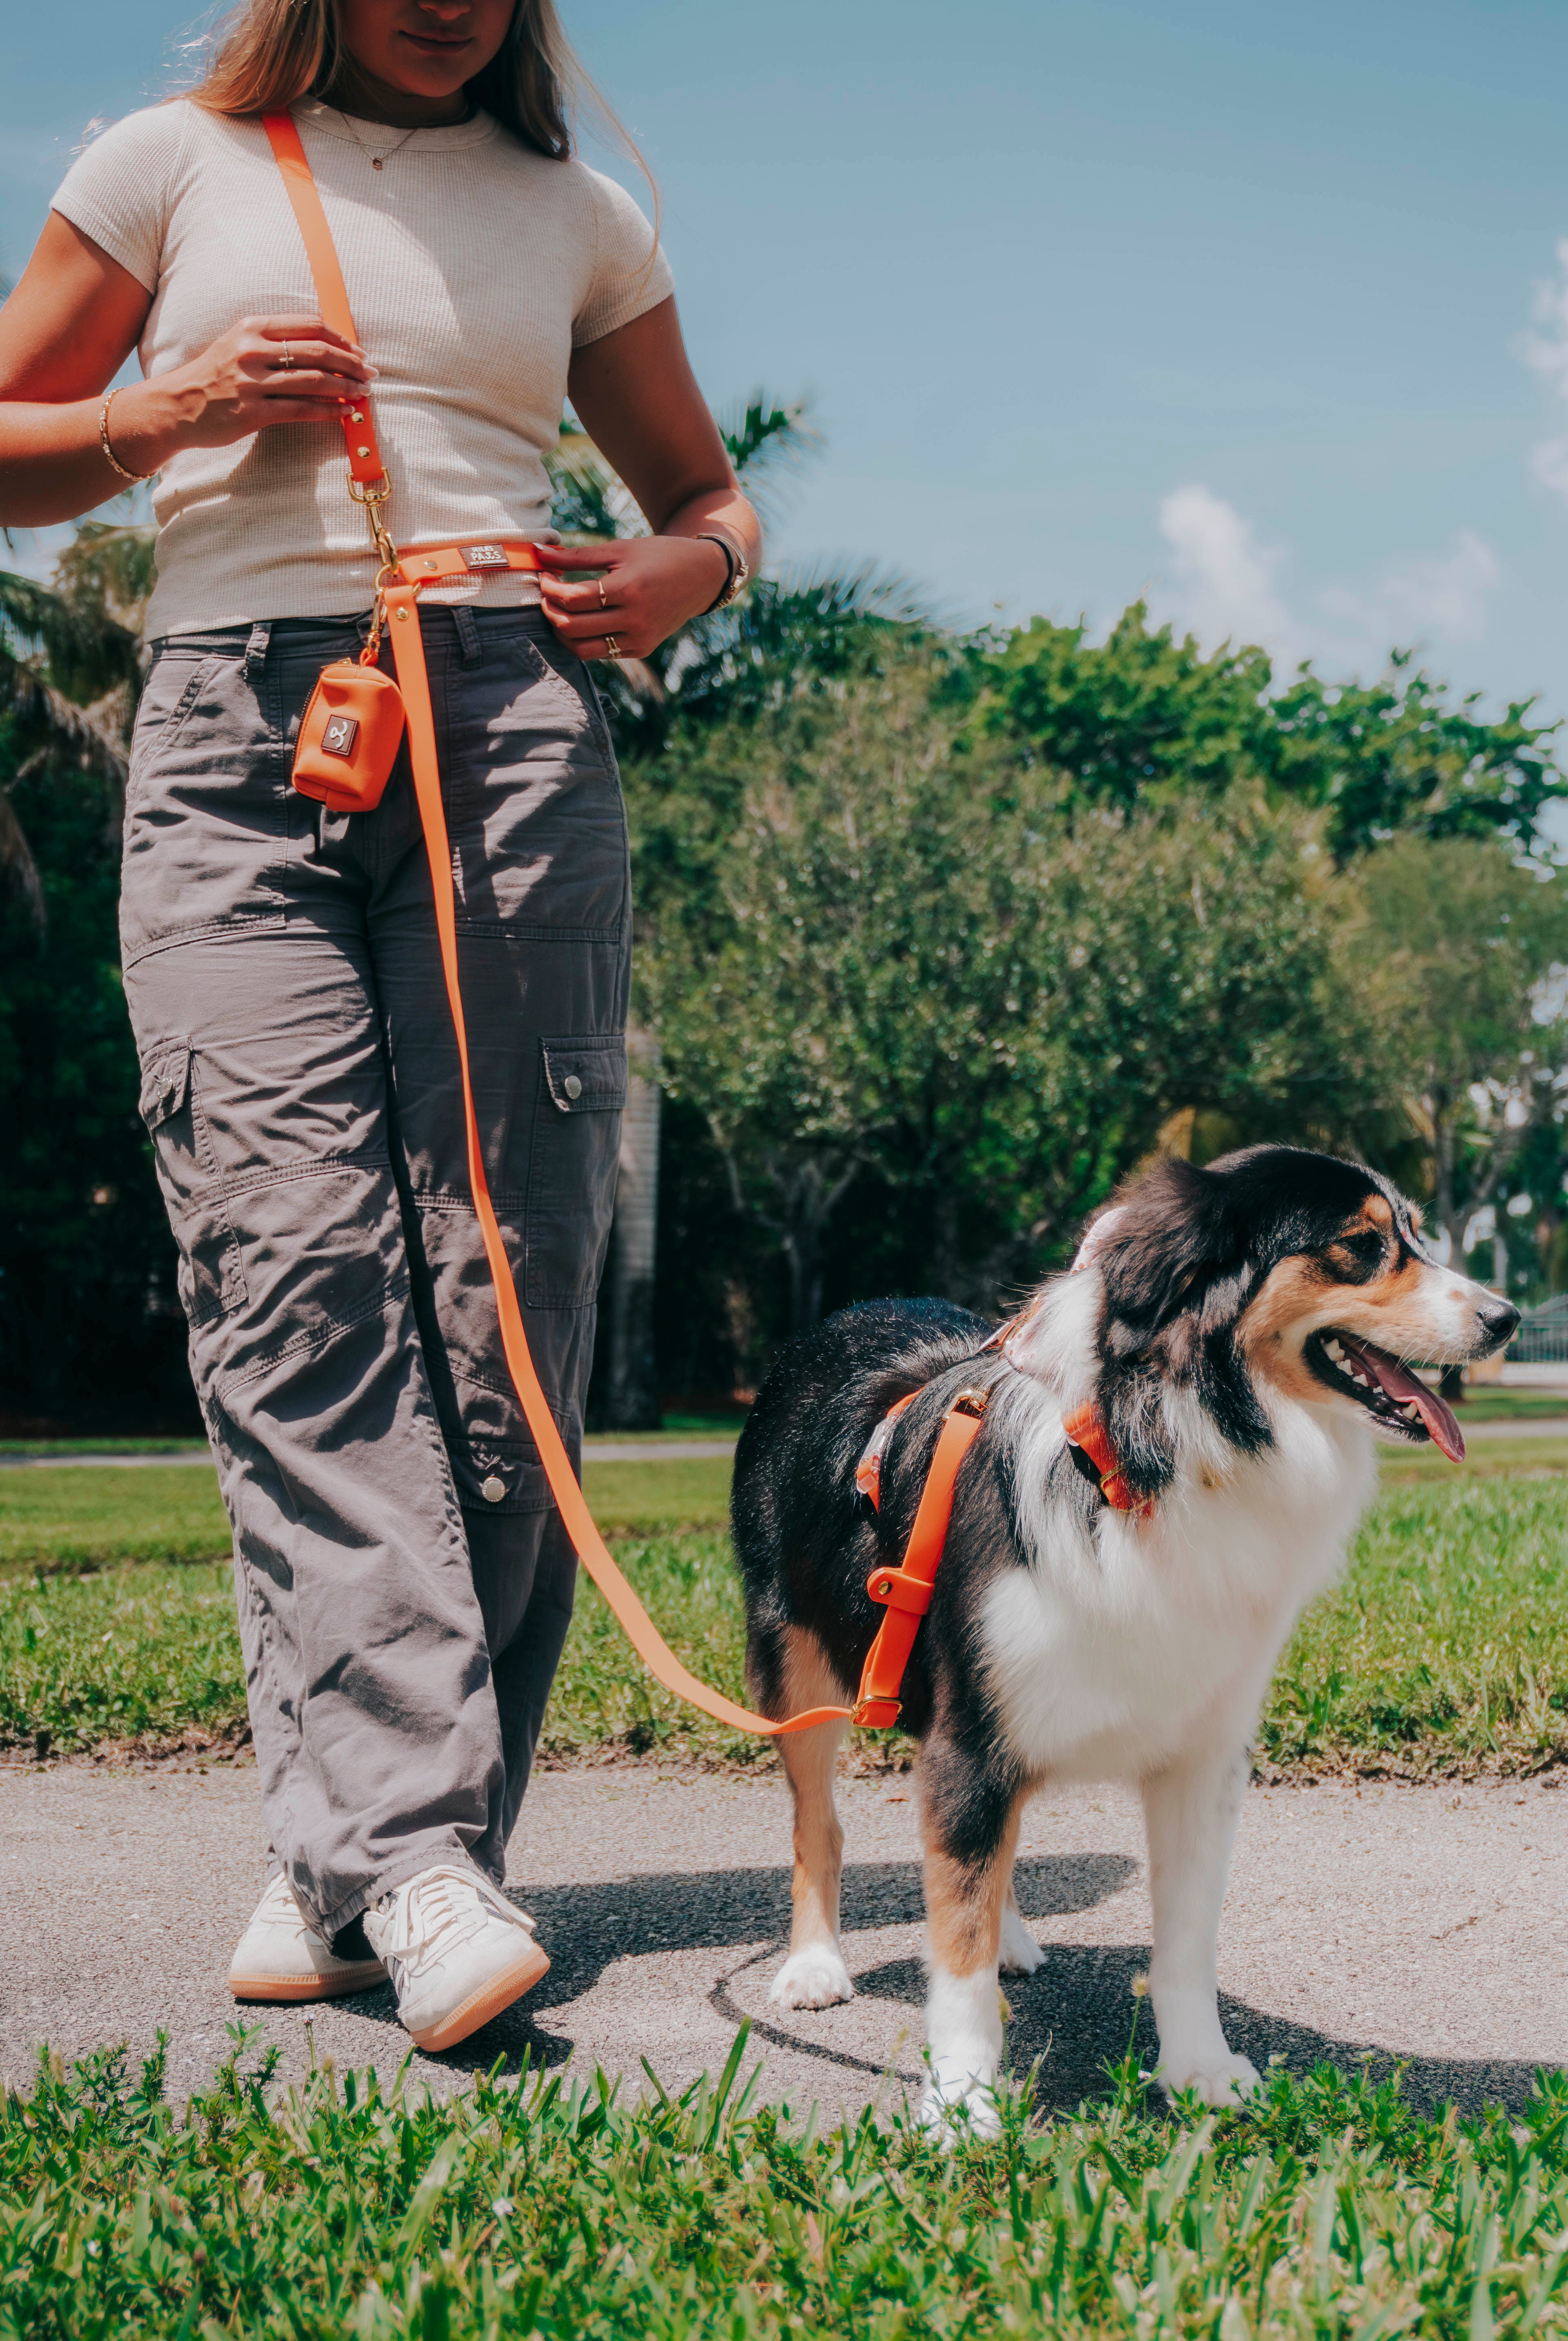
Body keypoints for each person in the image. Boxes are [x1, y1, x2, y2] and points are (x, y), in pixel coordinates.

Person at [0, 0, 760, 2053]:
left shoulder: (577, 211)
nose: (452, 4)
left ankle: (354, 1847)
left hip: (511, 715)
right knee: (294, 1276)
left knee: (503, 1295)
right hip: (237, 727)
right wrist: (156, 423)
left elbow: (707, 492)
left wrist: (684, 571)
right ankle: (413, 1859)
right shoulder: (172, 164)